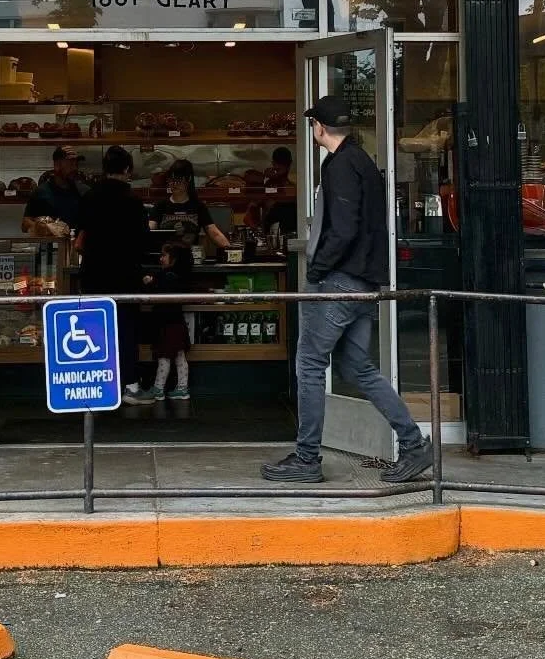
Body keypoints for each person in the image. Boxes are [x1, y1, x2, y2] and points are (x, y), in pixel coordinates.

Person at [262, 94, 433, 484]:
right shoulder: (363, 162)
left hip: (338, 281)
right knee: (358, 366)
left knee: (308, 364)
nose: (313, 130)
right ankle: (413, 444)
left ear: (320, 128)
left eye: (313, 125)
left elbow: (343, 230)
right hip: (364, 282)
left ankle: (307, 458)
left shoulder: (339, 167)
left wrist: (317, 271)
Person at [74, 145, 151, 404]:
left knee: (95, 331)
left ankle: (98, 386)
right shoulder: (133, 202)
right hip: (125, 274)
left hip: (94, 273)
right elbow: (143, 241)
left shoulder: (89, 197)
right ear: (127, 170)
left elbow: (80, 238)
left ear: (105, 170)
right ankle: (130, 386)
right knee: (126, 329)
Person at [141, 239, 194, 402]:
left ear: (174, 258)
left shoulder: (166, 277)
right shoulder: (181, 276)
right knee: (180, 357)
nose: (161, 258)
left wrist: (150, 282)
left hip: (167, 324)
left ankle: (158, 389)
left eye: (164, 255)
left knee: (164, 357)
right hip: (178, 323)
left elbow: (158, 292)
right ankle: (182, 388)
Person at [149, 158, 230, 253]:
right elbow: (150, 229)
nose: (174, 184)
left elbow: (214, 233)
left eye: (179, 180)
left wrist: (231, 250)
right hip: (167, 259)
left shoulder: (198, 206)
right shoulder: (160, 206)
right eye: (171, 180)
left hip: (191, 259)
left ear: (189, 179)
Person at [21, 146, 86, 237]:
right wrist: (45, 227)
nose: (75, 168)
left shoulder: (84, 191)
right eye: (70, 164)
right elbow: (25, 224)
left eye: (76, 164)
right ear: (57, 165)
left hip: (76, 247)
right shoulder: (41, 192)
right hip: (50, 248)